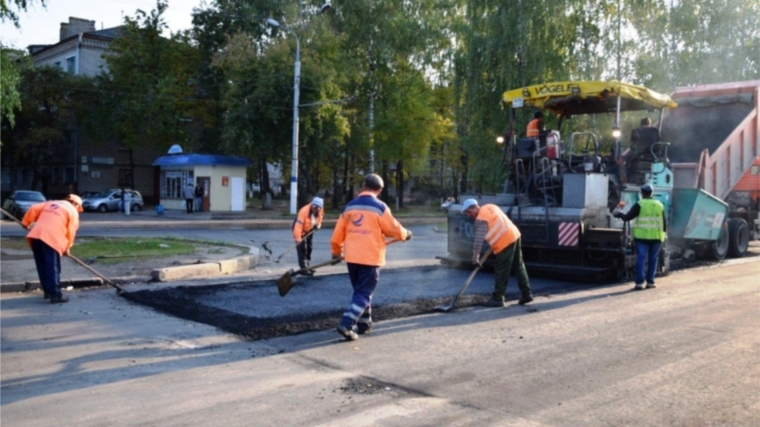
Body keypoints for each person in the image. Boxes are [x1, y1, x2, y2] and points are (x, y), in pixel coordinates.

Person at [330, 174, 413, 341]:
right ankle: (347, 323)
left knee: (360, 291)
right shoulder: (380, 207)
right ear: (380, 190)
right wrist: (405, 234)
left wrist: (337, 252)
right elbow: (393, 229)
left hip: (352, 258)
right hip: (370, 257)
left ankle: (364, 324)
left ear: (363, 186)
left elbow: (337, 236)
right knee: (363, 293)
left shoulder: (349, 207)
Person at [462, 199, 533, 307]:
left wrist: (475, 259)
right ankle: (527, 293)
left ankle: (498, 298)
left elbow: (478, 241)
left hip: (505, 241)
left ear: (475, 207)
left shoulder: (481, 219)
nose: (468, 215)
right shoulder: (490, 206)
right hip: (514, 234)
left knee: (501, 269)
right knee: (518, 265)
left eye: (469, 212)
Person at [22, 194, 83, 304]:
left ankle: (48, 292)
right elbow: (71, 232)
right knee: (52, 267)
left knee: (42, 266)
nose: (77, 210)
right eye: (78, 208)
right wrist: (67, 247)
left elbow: (33, 208)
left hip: (36, 236)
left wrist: (26, 223)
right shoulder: (72, 211)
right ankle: (55, 295)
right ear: (75, 204)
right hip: (51, 239)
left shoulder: (50, 203)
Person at [613, 184, 667, 290]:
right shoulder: (660, 205)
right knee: (653, 259)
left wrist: (618, 214)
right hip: (656, 237)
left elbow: (627, 217)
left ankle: (639, 283)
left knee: (641, 258)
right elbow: (664, 224)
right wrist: (663, 236)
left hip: (642, 237)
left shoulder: (640, 204)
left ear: (641, 193)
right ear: (652, 193)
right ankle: (650, 282)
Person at [618, 117, 660, 184]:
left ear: (641, 124)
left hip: (638, 153)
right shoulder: (655, 131)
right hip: (653, 154)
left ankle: (625, 178)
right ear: (649, 123)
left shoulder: (636, 131)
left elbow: (632, 145)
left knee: (621, 159)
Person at [292, 196, 325, 275]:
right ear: (312, 205)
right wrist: (298, 238)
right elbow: (298, 226)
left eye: (317, 208)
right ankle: (303, 269)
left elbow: (320, 218)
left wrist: (318, 225)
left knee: (309, 248)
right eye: (313, 206)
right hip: (300, 230)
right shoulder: (304, 211)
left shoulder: (320, 211)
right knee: (302, 249)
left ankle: (308, 266)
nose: (315, 209)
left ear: (320, 208)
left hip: (310, 229)